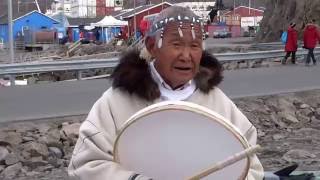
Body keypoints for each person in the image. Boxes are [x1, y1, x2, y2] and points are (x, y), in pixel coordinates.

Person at [68, 6, 264, 180]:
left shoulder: (220, 104)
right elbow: (86, 165)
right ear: (152, 46)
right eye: (176, 44)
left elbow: (250, 166)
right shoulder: (115, 103)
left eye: (194, 46)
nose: (186, 56)